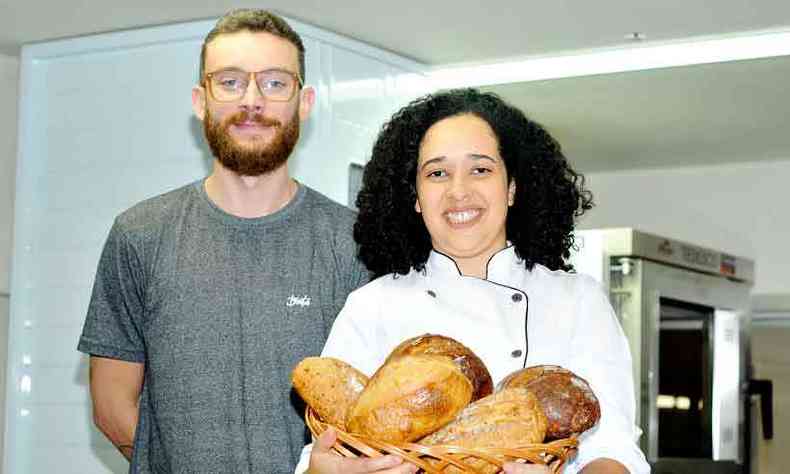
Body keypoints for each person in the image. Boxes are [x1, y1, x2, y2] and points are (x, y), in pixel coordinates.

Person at [77, 9, 369, 474]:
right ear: (200, 99)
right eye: (230, 82)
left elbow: (372, 418)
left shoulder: (355, 244)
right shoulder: (139, 235)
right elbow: (112, 407)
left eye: (275, 83)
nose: (251, 101)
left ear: (305, 101)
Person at [299, 89, 650, 473]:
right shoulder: (373, 304)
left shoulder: (577, 299)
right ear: (415, 196)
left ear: (512, 187)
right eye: (437, 173)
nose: (459, 191)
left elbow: (613, 449)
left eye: (480, 169)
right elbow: (328, 448)